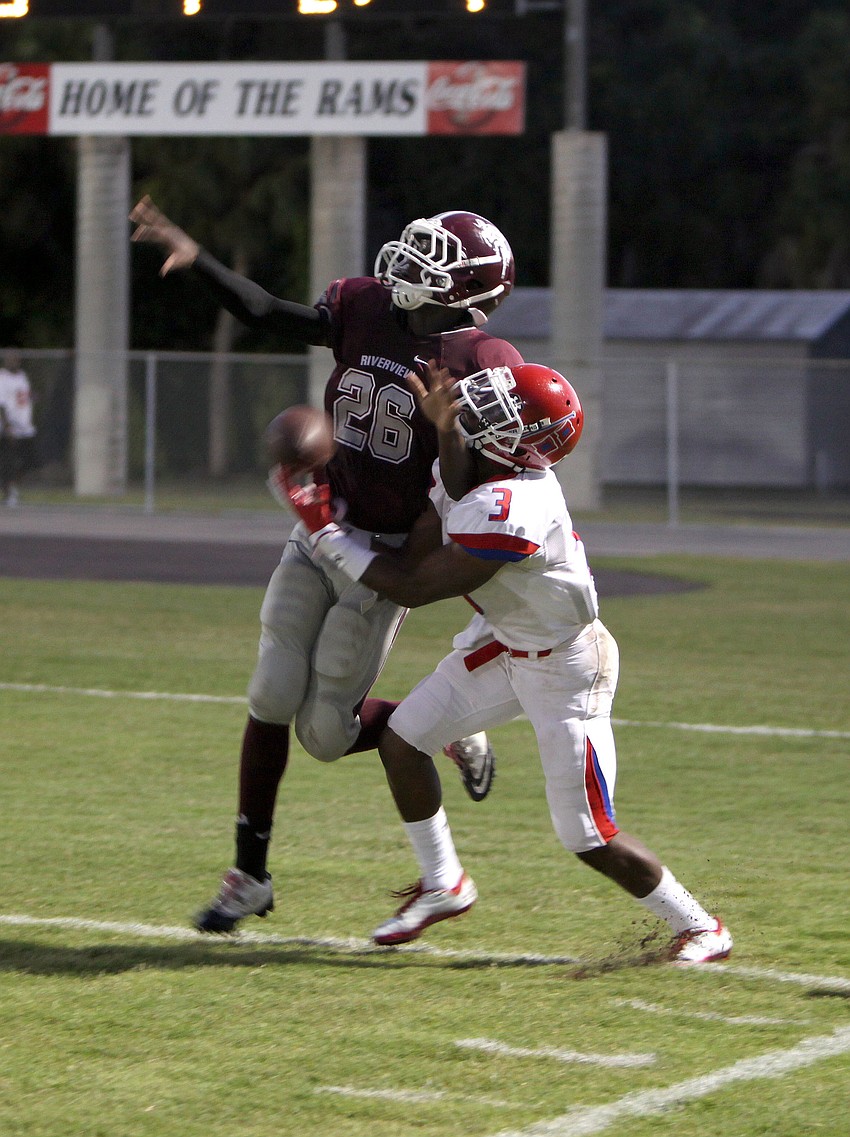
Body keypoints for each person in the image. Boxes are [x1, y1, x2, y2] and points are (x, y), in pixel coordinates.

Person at [129, 197, 524, 932]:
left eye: (435, 257)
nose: (409, 263)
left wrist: (447, 441)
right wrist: (199, 255)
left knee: (324, 733)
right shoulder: (367, 306)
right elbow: (269, 313)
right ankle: (248, 874)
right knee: (271, 686)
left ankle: (435, 728)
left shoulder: (483, 365)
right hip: (322, 522)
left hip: (387, 557)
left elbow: (474, 488)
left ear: (469, 291)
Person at [285, 359, 734, 965]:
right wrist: (444, 429)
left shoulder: (517, 504)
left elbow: (413, 586)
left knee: (587, 834)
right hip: (506, 642)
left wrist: (324, 531)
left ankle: (703, 927)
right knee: (403, 739)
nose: (480, 408)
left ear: (526, 445)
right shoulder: (485, 472)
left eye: (499, 410)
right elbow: (453, 486)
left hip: (566, 667)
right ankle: (444, 882)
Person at [0, 348, 38, 508]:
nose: (15, 361)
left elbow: (22, 396)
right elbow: (1, 404)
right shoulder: (3, 378)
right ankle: (10, 492)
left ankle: (11, 486)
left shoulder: (22, 376)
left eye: (16, 358)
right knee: (9, 462)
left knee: (30, 461)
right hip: (10, 428)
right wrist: (7, 427)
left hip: (25, 427)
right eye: (11, 359)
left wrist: (32, 397)